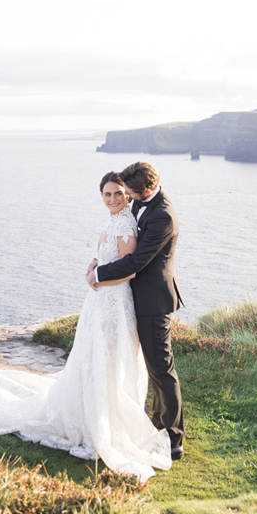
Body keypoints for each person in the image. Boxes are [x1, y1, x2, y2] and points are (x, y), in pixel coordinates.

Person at [0, 171, 173, 483]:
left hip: (114, 304)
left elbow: (129, 269)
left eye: (118, 194)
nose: (113, 199)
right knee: (94, 360)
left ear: (128, 194)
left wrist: (99, 275)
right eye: (107, 195)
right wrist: (94, 264)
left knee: (109, 360)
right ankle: (92, 410)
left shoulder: (125, 222)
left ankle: (108, 420)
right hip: (100, 302)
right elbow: (107, 255)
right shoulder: (117, 219)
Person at [86, 161, 184, 460]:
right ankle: (154, 423)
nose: (123, 198)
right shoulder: (141, 204)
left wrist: (98, 275)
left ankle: (173, 439)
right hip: (135, 299)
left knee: (161, 369)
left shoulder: (163, 215)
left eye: (128, 194)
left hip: (153, 302)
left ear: (148, 190)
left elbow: (136, 261)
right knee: (149, 367)